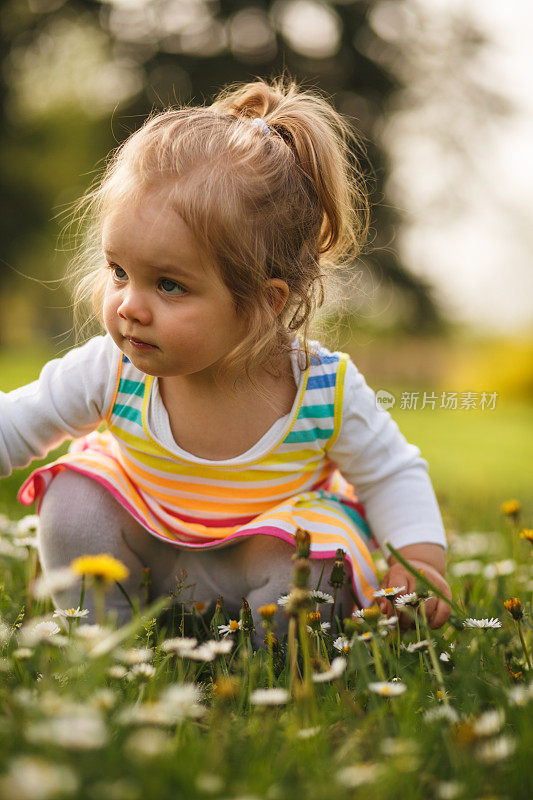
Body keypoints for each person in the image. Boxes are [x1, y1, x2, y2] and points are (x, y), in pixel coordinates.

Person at [1, 75, 451, 635]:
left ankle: (282, 659)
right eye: (119, 271)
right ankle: (101, 641)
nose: (129, 306)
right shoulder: (112, 370)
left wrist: (421, 561)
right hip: (149, 555)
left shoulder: (319, 390)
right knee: (74, 499)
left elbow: (390, 472)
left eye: (169, 285)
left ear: (263, 303)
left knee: (310, 565)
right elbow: (14, 424)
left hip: (255, 568)